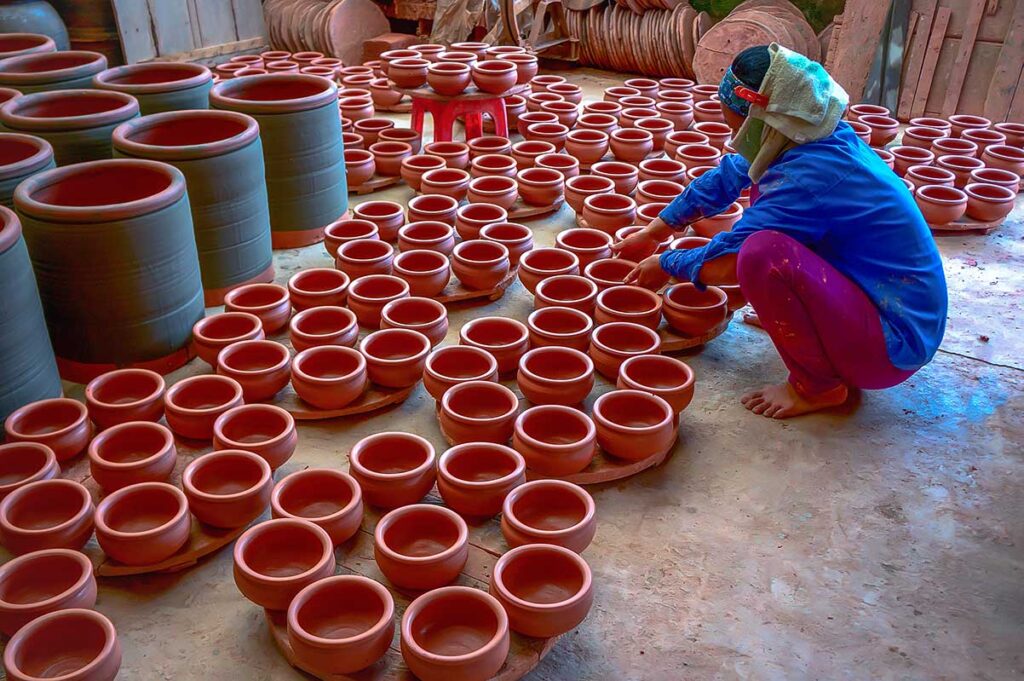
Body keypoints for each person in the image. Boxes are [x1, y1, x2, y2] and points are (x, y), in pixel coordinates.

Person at [616, 44, 947, 419]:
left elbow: (728, 263)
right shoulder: (806, 133)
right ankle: (808, 319)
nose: (733, 137)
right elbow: (728, 175)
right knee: (766, 227)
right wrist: (656, 231)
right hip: (880, 303)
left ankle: (817, 388)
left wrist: (667, 263)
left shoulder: (807, 176)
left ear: (761, 119)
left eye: (735, 126)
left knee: (761, 254)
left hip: (889, 346)